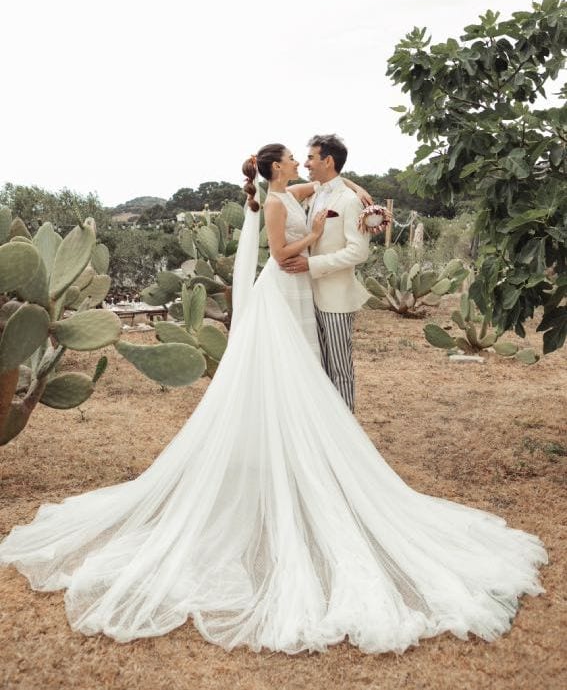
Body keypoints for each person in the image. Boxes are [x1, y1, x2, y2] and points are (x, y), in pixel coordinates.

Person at [0, 143, 547, 656]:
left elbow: (328, 189)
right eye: (292, 157)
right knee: (290, 373)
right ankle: (295, 455)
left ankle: (296, 451)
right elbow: (283, 254)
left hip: (297, 297)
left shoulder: (292, 192)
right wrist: (315, 240)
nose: (299, 161)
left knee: (300, 372)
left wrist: (355, 194)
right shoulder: (278, 203)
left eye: (303, 156)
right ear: (277, 168)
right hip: (282, 289)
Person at [281, 134, 371, 412]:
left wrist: (312, 265)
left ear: (328, 161)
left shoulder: (349, 201)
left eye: (311, 157)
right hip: (310, 297)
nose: (306, 163)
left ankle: (347, 435)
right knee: (319, 368)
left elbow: (358, 252)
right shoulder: (318, 193)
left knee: (340, 369)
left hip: (335, 298)